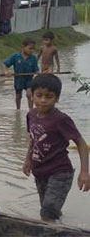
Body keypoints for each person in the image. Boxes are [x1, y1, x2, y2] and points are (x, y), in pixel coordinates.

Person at [22, 74, 89, 222]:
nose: (43, 100)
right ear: (31, 96)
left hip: (60, 172)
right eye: (39, 95)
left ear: (57, 98)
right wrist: (28, 160)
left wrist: (84, 172)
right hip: (40, 171)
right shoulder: (31, 115)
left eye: (49, 96)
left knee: (46, 213)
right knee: (50, 210)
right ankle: (62, 225)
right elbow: (33, 139)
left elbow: (81, 143)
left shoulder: (61, 119)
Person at [2, 37, 39, 110]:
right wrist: (6, 71)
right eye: (30, 48)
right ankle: (18, 109)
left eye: (33, 49)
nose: (32, 50)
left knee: (29, 94)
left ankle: (30, 110)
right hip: (18, 79)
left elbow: (36, 70)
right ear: (23, 47)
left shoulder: (33, 58)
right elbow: (5, 64)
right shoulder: (15, 56)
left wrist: (40, 74)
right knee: (18, 96)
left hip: (29, 80)